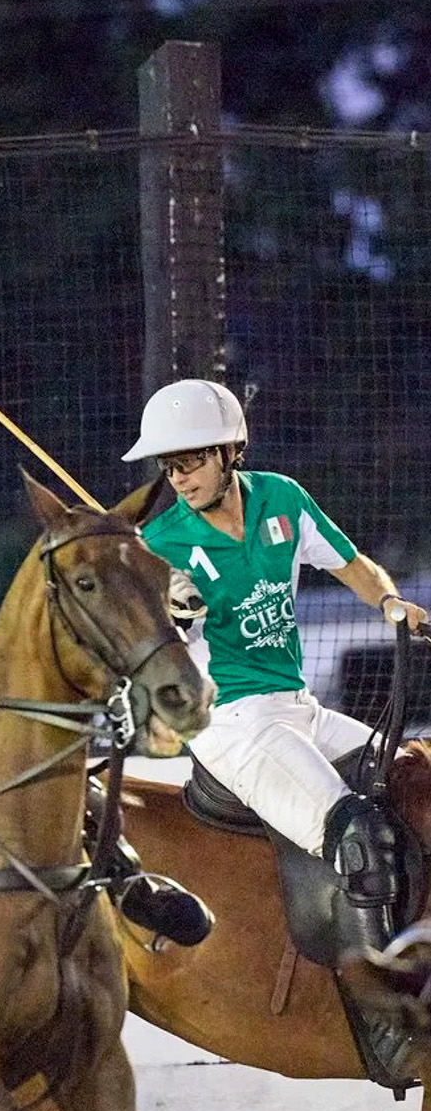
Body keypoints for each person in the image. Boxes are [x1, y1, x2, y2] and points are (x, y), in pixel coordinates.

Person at [129, 380, 429, 954]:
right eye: (169, 468)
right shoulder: (156, 545)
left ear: (227, 450)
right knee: (360, 838)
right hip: (233, 726)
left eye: (190, 461)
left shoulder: (281, 499)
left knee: (414, 791)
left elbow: (352, 564)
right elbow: (144, 642)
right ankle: (387, 1003)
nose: (180, 478)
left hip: (300, 709)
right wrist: (167, 604)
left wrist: (389, 602)